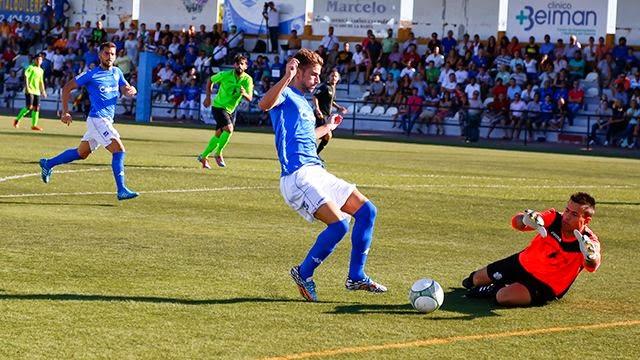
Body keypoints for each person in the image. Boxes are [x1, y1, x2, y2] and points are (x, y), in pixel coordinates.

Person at [258, 49, 387, 302]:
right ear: (299, 71)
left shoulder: (305, 104)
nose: (318, 79)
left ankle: (356, 276)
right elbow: (264, 104)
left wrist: (329, 126)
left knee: (367, 211)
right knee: (339, 224)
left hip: (316, 170)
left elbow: (306, 137)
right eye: (314, 74)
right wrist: (287, 76)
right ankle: (303, 273)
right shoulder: (284, 94)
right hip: (297, 176)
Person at [462, 192, 601, 307]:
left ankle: (495, 288)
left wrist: (590, 256)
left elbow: (592, 266)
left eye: (574, 215)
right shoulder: (554, 218)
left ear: (587, 219)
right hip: (521, 263)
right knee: (473, 280)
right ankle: (498, 284)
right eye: (567, 210)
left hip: (544, 284)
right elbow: (517, 224)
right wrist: (525, 220)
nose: (567, 217)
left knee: (502, 297)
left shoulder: (588, 242)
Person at [39, 42, 138, 201]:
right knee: (119, 150)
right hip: (98, 120)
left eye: (112, 54)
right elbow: (66, 88)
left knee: (81, 153)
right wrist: (65, 112)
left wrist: (131, 90)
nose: (110, 57)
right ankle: (121, 190)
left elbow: (125, 89)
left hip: (105, 121)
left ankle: (47, 164)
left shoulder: (117, 72)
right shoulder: (91, 74)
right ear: (100, 55)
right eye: (106, 53)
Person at [197, 55, 253, 168]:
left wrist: (244, 93)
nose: (239, 65)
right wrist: (208, 97)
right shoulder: (225, 74)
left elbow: (250, 98)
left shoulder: (248, 79)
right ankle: (218, 153)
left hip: (230, 110)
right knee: (229, 129)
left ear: (246, 66)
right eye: (237, 63)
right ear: (234, 65)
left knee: (218, 134)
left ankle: (203, 157)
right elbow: (210, 80)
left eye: (242, 63)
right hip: (218, 106)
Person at [312, 68, 347, 157]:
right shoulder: (325, 86)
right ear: (329, 77)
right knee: (327, 135)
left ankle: (314, 154)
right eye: (332, 76)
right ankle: (313, 154)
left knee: (325, 136)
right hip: (320, 114)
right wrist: (317, 108)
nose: (333, 78)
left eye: (335, 76)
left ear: (338, 78)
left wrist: (339, 107)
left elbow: (331, 102)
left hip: (326, 115)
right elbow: (315, 96)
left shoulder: (332, 88)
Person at [13, 54, 47, 131]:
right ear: (34, 60)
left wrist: (43, 91)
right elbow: (26, 77)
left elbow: (41, 81)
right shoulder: (30, 67)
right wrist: (27, 87)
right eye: (37, 59)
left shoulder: (41, 70)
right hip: (30, 90)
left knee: (37, 108)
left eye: (40, 60)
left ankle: (34, 125)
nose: (39, 61)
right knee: (29, 107)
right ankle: (17, 120)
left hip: (37, 91)